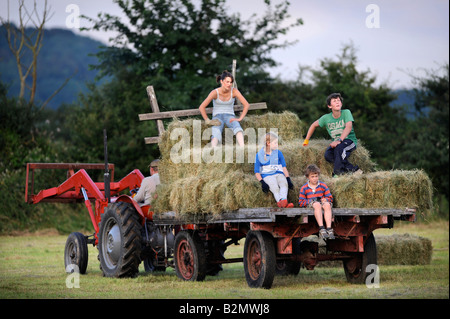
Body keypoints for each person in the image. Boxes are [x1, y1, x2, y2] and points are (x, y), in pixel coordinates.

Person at [302, 93, 362, 177]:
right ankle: (354, 170)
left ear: (341, 104)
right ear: (329, 106)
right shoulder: (326, 118)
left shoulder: (346, 112)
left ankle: (336, 174)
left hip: (349, 141)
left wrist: (339, 140)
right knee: (328, 155)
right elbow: (313, 125)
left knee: (339, 149)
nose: (337, 102)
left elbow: (348, 127)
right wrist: (306, 140)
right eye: (334, 101)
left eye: (339, 100)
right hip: (337, 143)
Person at [199, 70, 250, 147]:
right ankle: (213, 150)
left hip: (229, 116)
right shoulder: (215, 92)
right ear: (221, 81)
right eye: (227, 82)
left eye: (230, 82)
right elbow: (201, 107)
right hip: (217, 117)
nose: (229, 84)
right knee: (216, 132)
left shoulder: (234, 91)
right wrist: (208, 121)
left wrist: (240, 118)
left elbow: (246, 104)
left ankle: (243, 148)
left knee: (237, 127)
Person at [254, 132, 294, 208]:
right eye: (275, 143)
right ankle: (280, 202)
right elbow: (257, 172)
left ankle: (284, 201)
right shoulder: (259, 155)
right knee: (274, 187)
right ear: (268, 143)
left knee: (284, 184)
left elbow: (283, 167)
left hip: (279, 173)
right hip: (267, 175)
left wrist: (288, 178)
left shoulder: (279, 153)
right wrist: (262, 182)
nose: (277, 145)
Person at [298, 164, 335, 240]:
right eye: (312, 177)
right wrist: (311, 201)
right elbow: (301, 202)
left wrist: (326, 199)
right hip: (312, 204)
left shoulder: (323, 185)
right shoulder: (304, 188)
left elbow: (330, 198)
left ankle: (329, 228)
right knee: (317, 204)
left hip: (321, 203)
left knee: (327, 205)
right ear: (308, 177)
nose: (315, 178)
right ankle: (321, 228)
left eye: (316, 176)